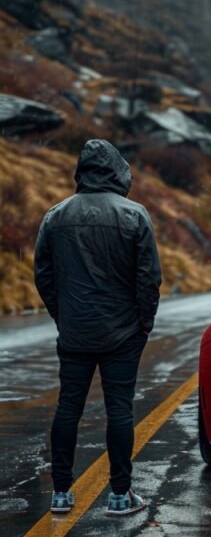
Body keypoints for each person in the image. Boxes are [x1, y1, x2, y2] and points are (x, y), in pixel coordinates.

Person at [34, 139, 162, 517]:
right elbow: (148, 278)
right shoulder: (135, 215)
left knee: (68, 408)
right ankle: (120, 496)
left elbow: (43, 274)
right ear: (118, 170)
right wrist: (144, 324)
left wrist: (64, 315)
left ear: (82, 170)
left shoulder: (55, 216)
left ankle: (60, 494)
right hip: (123, 333)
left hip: (75, 331)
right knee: (119, 409)